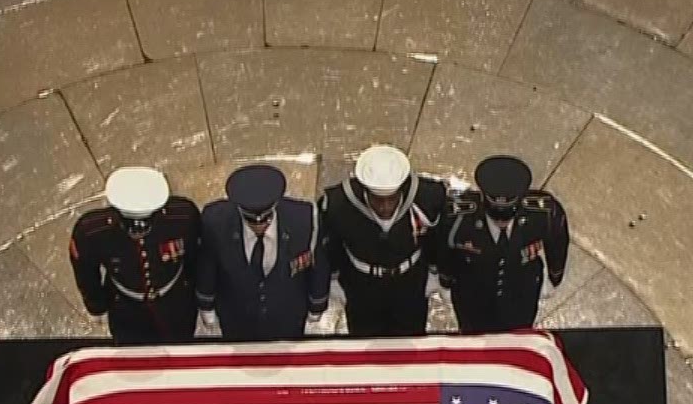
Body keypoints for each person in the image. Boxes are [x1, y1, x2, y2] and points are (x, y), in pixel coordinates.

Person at [320, 145, 449, 337]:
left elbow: (438, 237)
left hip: (410, 284)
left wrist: (435, 271)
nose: (385, 207)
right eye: (378, 200)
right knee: (365, 339)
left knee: (409, 338)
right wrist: (333, 277)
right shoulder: (338, 204)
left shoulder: (428, 197)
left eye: (392, 199)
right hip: (361, 286)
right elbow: (331, 244)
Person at [196, 164, 331, 342]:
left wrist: (317, 303)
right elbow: (208, 264)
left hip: (288, 315)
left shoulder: (303, 219)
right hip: (237, 316)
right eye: (251, 221)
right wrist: (206, 304)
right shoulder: (216, 221)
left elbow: (318, 263)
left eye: (266, 220)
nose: (259, 226)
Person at [437, 155, 570, 333]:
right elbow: (443, 247)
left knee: (519, 334)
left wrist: (554, 277)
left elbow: (558, 240)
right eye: (495, 215)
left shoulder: (543, 213)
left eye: (507, 216)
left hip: (521, 292)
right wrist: (445, 280)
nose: (502, 222)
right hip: (472, 296)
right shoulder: (458, 216)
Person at [69, 166, 201, 344]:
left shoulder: (182, 217)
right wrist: (96, 305)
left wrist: (200, 292)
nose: (139, 231)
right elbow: (85, 272)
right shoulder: (93, 231)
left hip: (176, 303)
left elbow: (195, 256)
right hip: (126, 309)